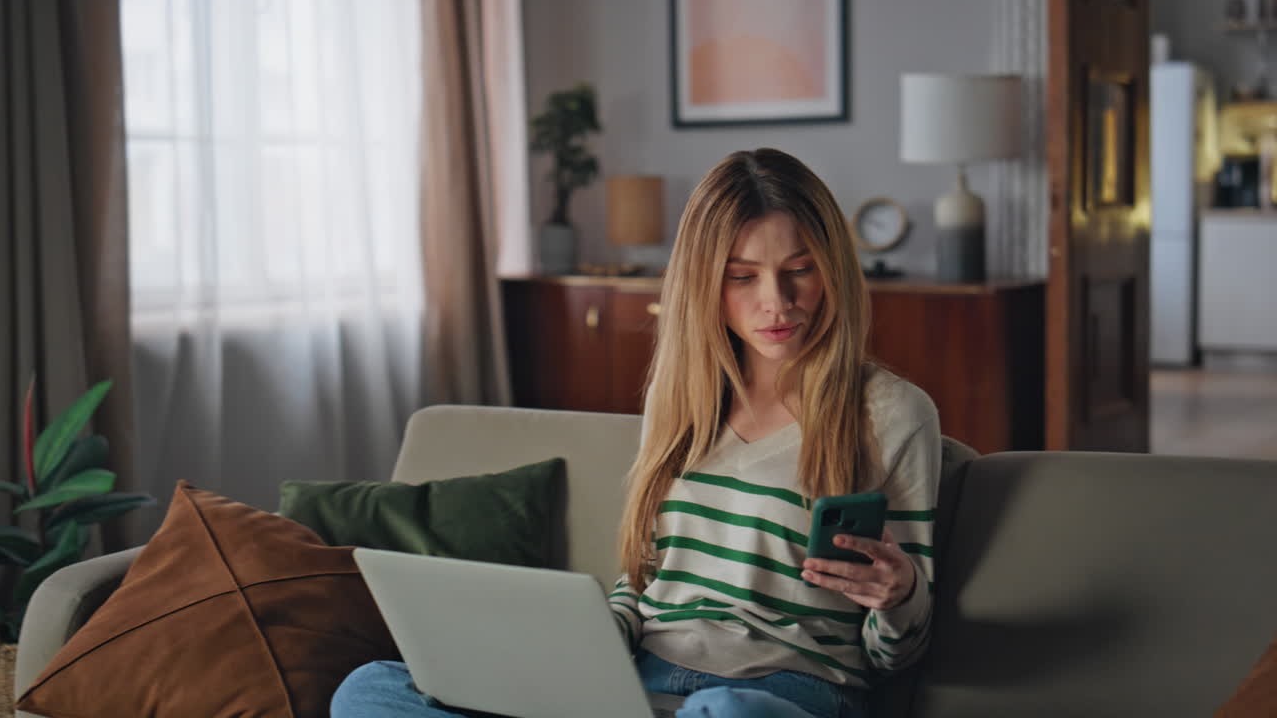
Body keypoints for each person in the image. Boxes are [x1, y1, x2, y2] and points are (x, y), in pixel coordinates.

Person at [330, 148, 940, 718]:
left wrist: (898, 593)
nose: (776, 302)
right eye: (742, 277)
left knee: (723, 711)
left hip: (785, 691)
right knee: (371, 690)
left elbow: (896, 655)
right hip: (641, 680)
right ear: (705, 284)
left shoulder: (891, 414)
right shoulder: (681, 400)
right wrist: (587, 640)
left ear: (833, 267)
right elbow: (645, 579)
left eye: (800, 270)